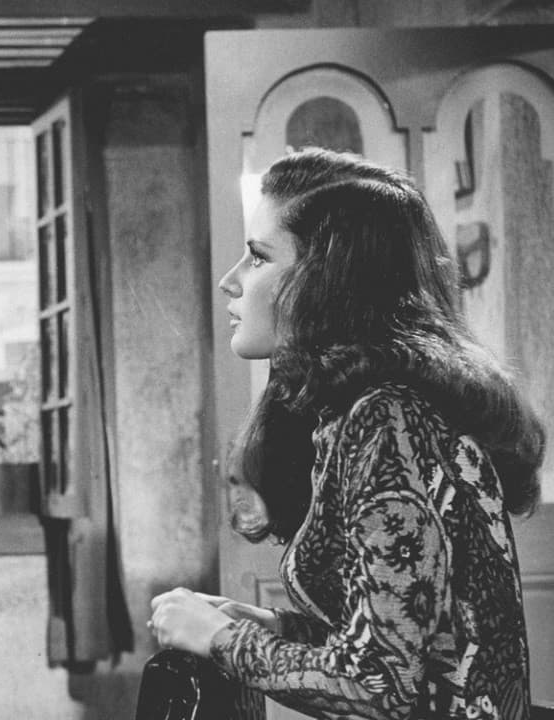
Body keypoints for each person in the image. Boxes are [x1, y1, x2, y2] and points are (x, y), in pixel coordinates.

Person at [149, 148, 544, 719]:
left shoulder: (388, 419)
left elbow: (380, 686)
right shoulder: (373, 409)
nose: (230, 281)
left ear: (326, 280)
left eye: (258, 257)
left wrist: (221, 639)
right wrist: (266, 626)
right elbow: (400, 646)